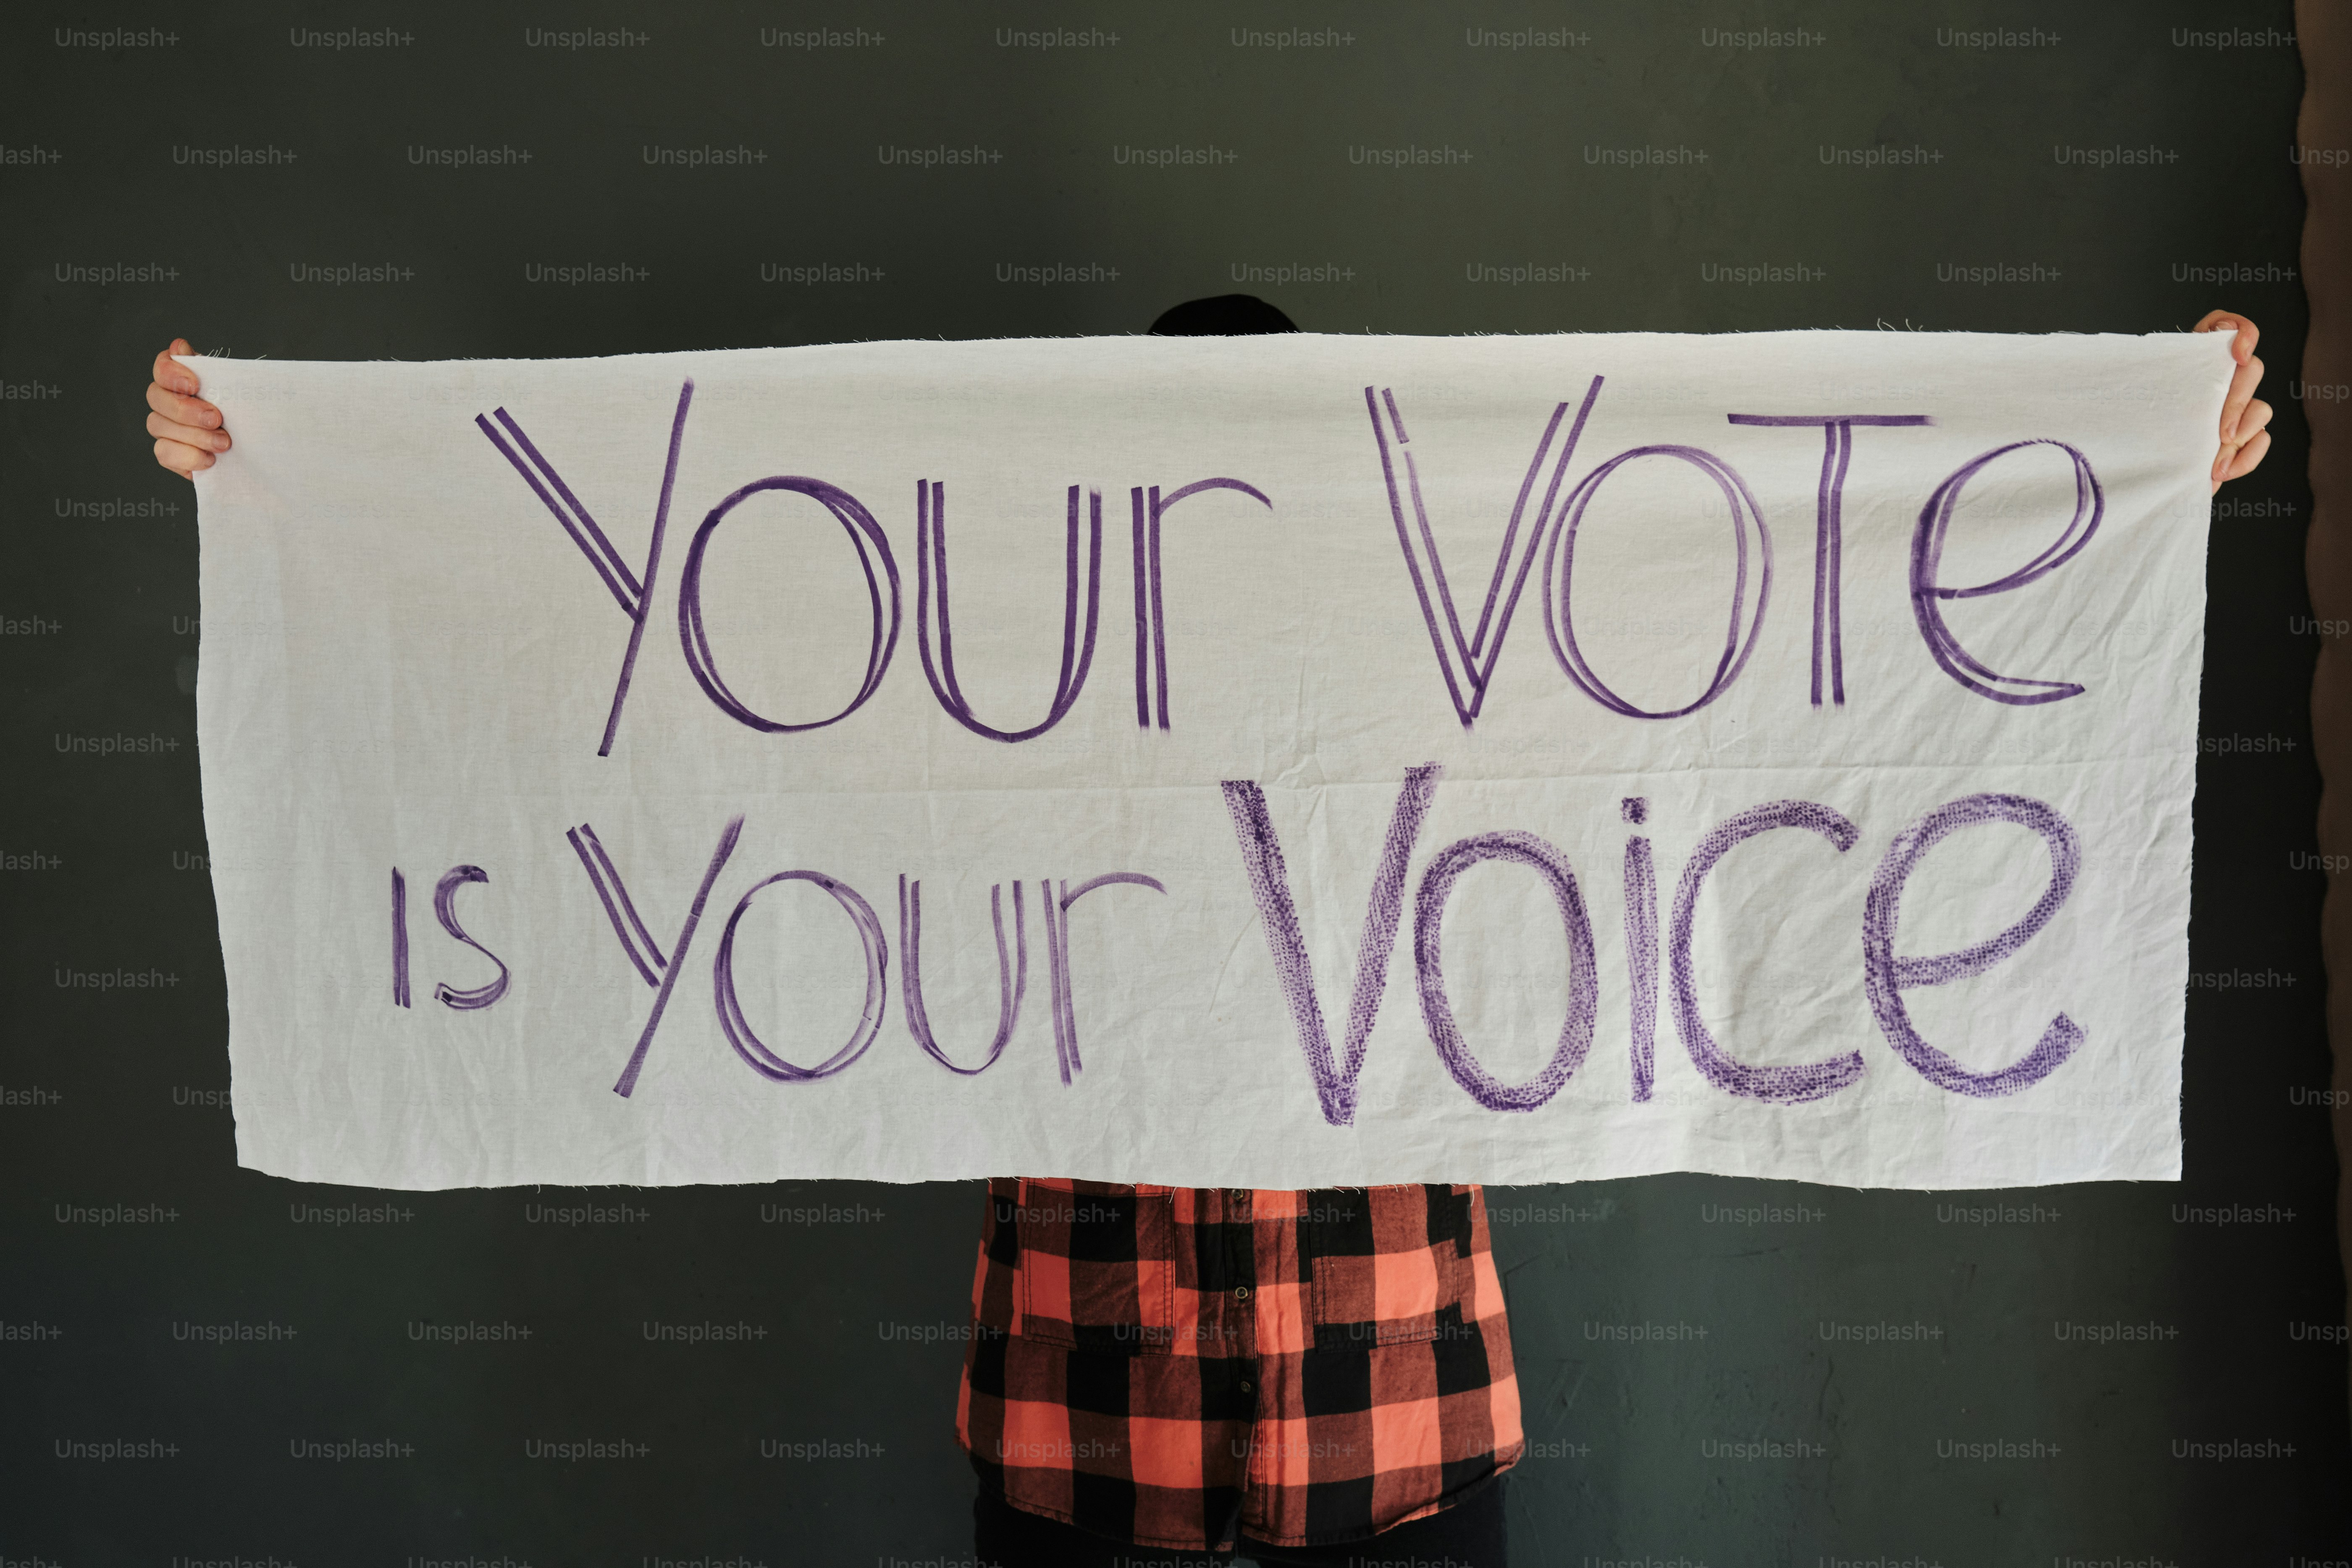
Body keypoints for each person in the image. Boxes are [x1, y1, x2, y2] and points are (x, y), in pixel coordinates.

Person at [141, 302, 2275, 1567]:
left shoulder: (1472, 699)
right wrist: (295, 474)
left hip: (1403, 1426)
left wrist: (2115, 474)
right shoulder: (968, 676)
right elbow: (627, 688)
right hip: (1079, 1427)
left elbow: (1785, 665)